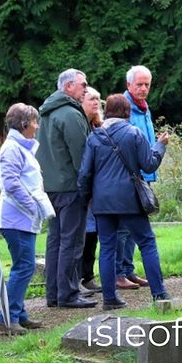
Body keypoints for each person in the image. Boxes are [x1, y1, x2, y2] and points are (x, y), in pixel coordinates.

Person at [77, 94, 172, 310]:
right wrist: (160, 146)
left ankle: (110, 298)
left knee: (107, 248)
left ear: (107, 111)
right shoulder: (134, 133)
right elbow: (149, 165)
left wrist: (87, 199)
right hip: (130, 199)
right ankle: (159, 294)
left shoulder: (94, 137)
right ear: (127, 112)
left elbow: (85, 173)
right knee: (146, 242)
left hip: (102, 201)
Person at [36, 69, 97, 308]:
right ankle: (69, 293)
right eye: (83, 84)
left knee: (55, 241)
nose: (86, 88)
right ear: (69, 86)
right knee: (72, 242)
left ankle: (54, 293)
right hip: (70, 187)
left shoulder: (46, 112)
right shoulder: (70, 114)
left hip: (50, 186)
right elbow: (82, 156)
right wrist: (89, 188)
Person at [0, 103, 53, 336]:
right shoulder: (12, 148)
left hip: (22, 219)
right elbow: (11, 183)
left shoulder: (21, 147)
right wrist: (32, 207)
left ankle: (18, 314)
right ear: (24, 124)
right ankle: (7, 319)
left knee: (25, 267)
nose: (37, 126)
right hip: (16, 219)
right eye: (35, 122)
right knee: (24, 267)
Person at [116, 65, 157, 290]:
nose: (143, 89)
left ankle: (128, 270)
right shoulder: (124, 108)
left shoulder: (144, 108)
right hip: (130, 176)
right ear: (129, 84)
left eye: (147, 85)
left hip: (144, 174)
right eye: (139, 84)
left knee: (135, 228)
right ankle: (119, 273)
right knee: (123, 227)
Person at [80, 87, 103, 293]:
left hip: (98, 188)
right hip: (83, 187)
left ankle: (88, 276)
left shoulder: (98, 127)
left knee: (93, 233)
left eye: (98, 99)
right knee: (84, 233)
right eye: (91, 99)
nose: (96, 102)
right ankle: (80, 277)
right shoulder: (79, 125)